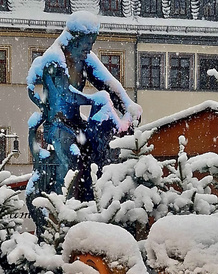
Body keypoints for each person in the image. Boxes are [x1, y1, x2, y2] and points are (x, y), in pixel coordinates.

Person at [26, 11, 140, 226]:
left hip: (75, 124)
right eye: (85, 45)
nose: (88, 50)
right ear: (73, 39)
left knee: (97, 150)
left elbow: (108, 83)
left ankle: (94, 194)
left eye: (91, 45)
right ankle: (64, 211)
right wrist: (95, 99)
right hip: (57, 126)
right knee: (72, 163)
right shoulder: (54, 60)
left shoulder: (84, 57)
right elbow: (65, 95)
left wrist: (128, 105)